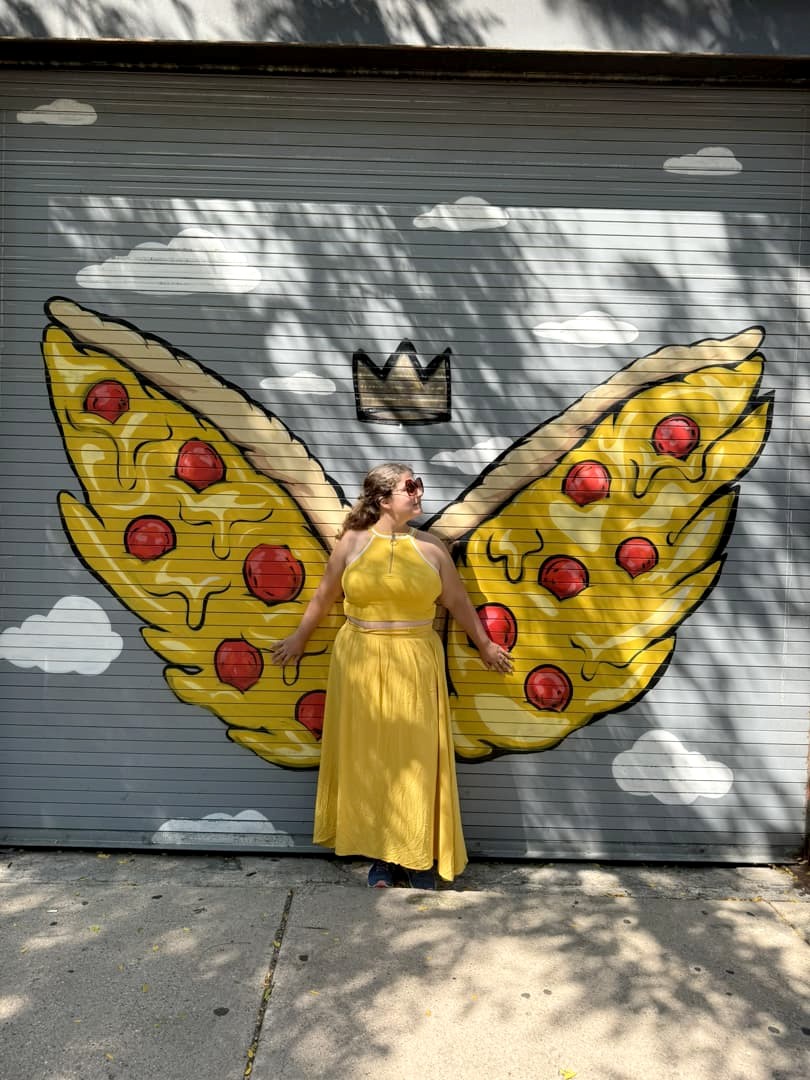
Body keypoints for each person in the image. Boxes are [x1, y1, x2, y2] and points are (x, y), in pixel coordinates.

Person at [270, 463, 513, 888]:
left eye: (418, 485)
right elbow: (325, 595)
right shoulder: (352, 542)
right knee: (370, 760)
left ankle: (417, 858)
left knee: (414, 761)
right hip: (358, 660)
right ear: (383, 499)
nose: (419, 493)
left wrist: (485, 645)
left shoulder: (432, 549)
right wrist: (299, 638)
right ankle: (382, 857)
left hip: (414, 660)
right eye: (410, 487)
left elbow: (458, 602)